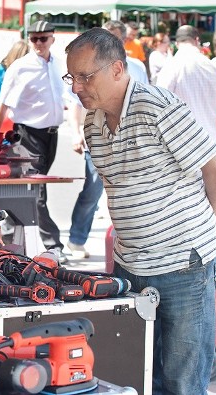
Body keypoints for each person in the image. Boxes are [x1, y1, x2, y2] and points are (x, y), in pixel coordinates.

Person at [64, 27, 216, 395]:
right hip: (130, 265)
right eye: (71, 77)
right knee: (135, 373)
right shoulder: (92, 123)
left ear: (118, 70)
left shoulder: (158, 107)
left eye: (85, 77)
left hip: (183, 265)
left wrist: (213, 219)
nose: (76, 87)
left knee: (181, 381)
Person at [0, 20, 82, 264]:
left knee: (32, 190)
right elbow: (1, 107)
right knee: (35, 190)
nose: (39, 43)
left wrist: (77, 130)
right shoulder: (20, 67)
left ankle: (11, 238)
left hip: (50, 135)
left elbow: (71, 98)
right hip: (27, 134)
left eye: (43, 38)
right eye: (34, 39)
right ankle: (51, 245)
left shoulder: (58, 65)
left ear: (53, 38)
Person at [66, 21, 149, 258]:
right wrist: (76, 132)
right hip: (102, 136)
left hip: (133, 141)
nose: (75, 87)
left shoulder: (152, 101)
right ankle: (77, 239)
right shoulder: (93, 121)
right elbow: (75, 104)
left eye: (108, 39)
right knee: (92, 192)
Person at [156, 25, 216, 142]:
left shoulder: (171, 66)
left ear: (177, 44)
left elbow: (158, 103)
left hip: (182, 141)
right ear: (197, 40)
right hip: (210, 139)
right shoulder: (212, 66)